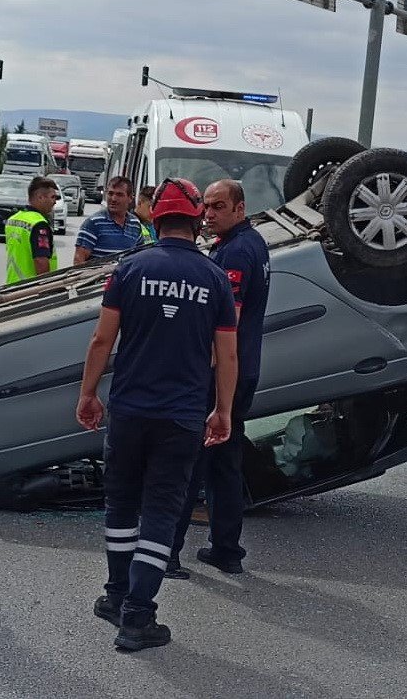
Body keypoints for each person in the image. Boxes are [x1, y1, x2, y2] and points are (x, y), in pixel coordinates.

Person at [75, 178, 237, 652]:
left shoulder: (129, 268)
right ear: (194, 219)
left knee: (121, 505)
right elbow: (226, 355)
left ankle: (115, 594)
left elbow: (102, 340)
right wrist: (222, 409)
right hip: (181, 416)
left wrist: (88, 394)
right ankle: (138, 616)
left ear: (157, 219)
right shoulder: (214, 278)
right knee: (162, 512)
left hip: (128, 410)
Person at [168, 179, 271, 577]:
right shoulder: (252, 243)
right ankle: (227, 549)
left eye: (218, 207)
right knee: (225, 462)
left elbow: (227, 324)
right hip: (244, 370)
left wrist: (202, 372)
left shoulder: (236, 253)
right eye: (205, 207)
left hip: (220, 376)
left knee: (188, 461)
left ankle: (169, 553)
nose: (208, 214)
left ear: (240, 208)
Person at [74, 177, 146, 264]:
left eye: (119, 195)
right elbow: (78, 261)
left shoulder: (135, 224)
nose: (113, 199)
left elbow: (140, 256)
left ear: (130, 198)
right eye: (110, 194)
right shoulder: (94, 223)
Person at [3, 176, 59, 284]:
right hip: (30, 289)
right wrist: (46, 287)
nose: (55, 202)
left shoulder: (13, 219)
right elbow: (40, 261)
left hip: (12, 283)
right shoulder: (39, 224)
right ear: (40, 197)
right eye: (52, 197)